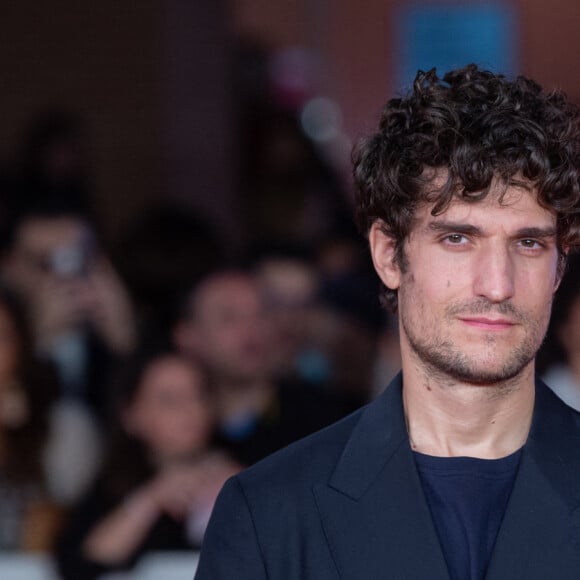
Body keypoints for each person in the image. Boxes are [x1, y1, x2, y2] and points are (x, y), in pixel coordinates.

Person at [194, 64, 580, 580]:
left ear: (560, 265)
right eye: (457, 239)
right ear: (388, 254)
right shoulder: (269, 516)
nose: (497, 284)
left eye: (528, 243)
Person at [55, 349, 239, 579]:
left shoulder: (244, 475)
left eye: (199, 394)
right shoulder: (112, 488)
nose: (191, 409)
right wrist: (152, 498)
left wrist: (237, 496)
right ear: (131, 415)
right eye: (170, 400)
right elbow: (78, 564)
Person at [173, 269, 354, 467]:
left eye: (261, 313)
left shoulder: (324, 420)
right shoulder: (178, 433)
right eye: (229, 317)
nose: (250, 328)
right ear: (188, 337)